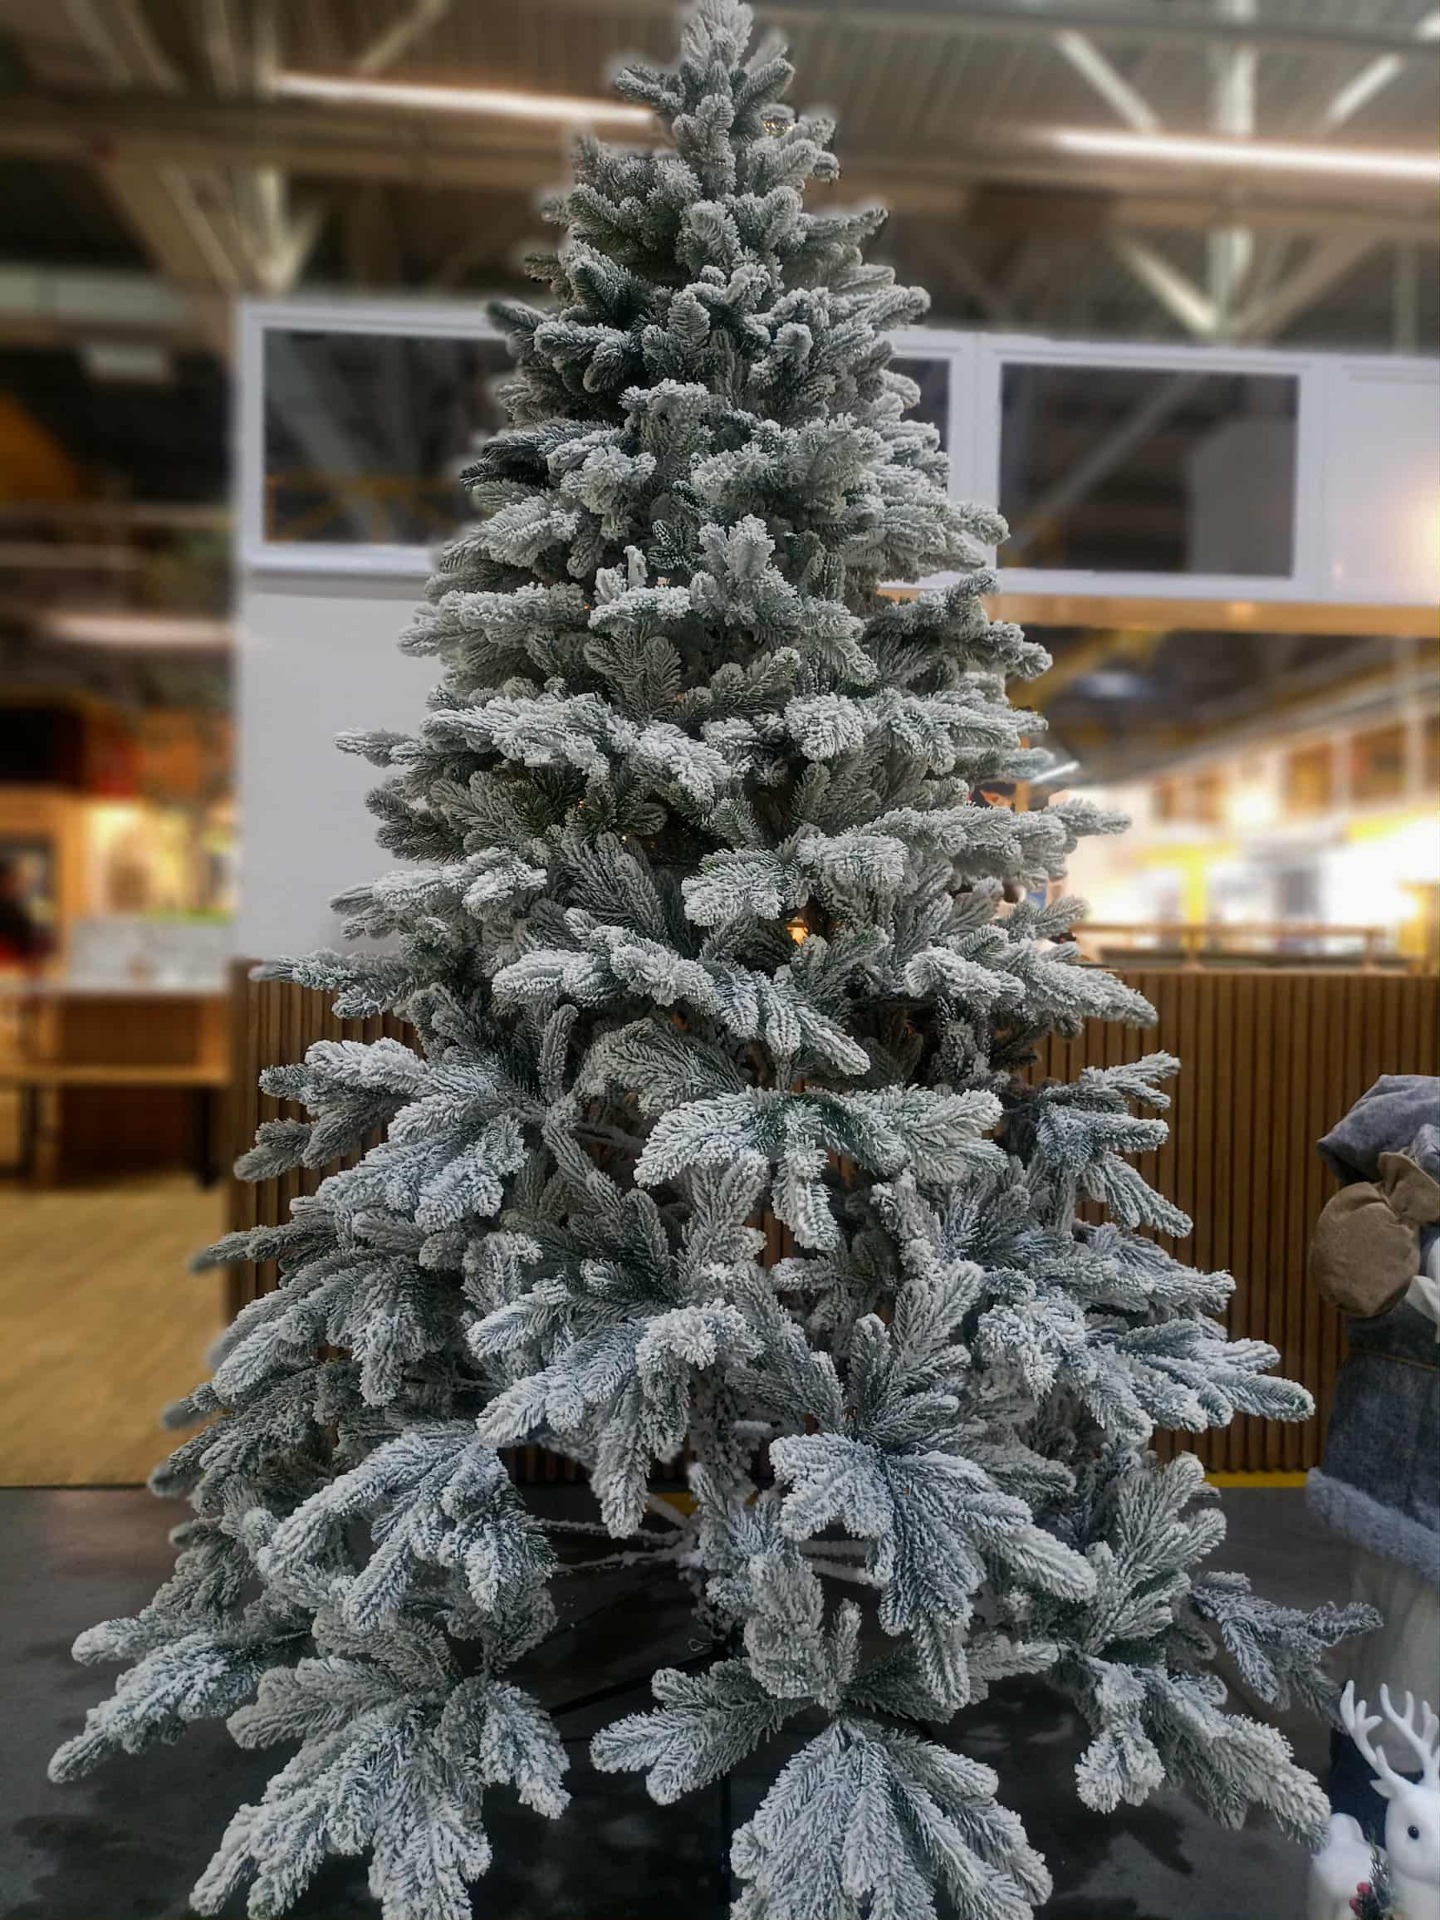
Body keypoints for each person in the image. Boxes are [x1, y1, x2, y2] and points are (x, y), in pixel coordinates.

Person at [1306, 1076, 1440, 1832]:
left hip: (1408, 1470)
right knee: (1398, 1663)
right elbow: (1360, 1281)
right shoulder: (1393, 1209)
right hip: (1406, 1477)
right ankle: (1369, 1830)